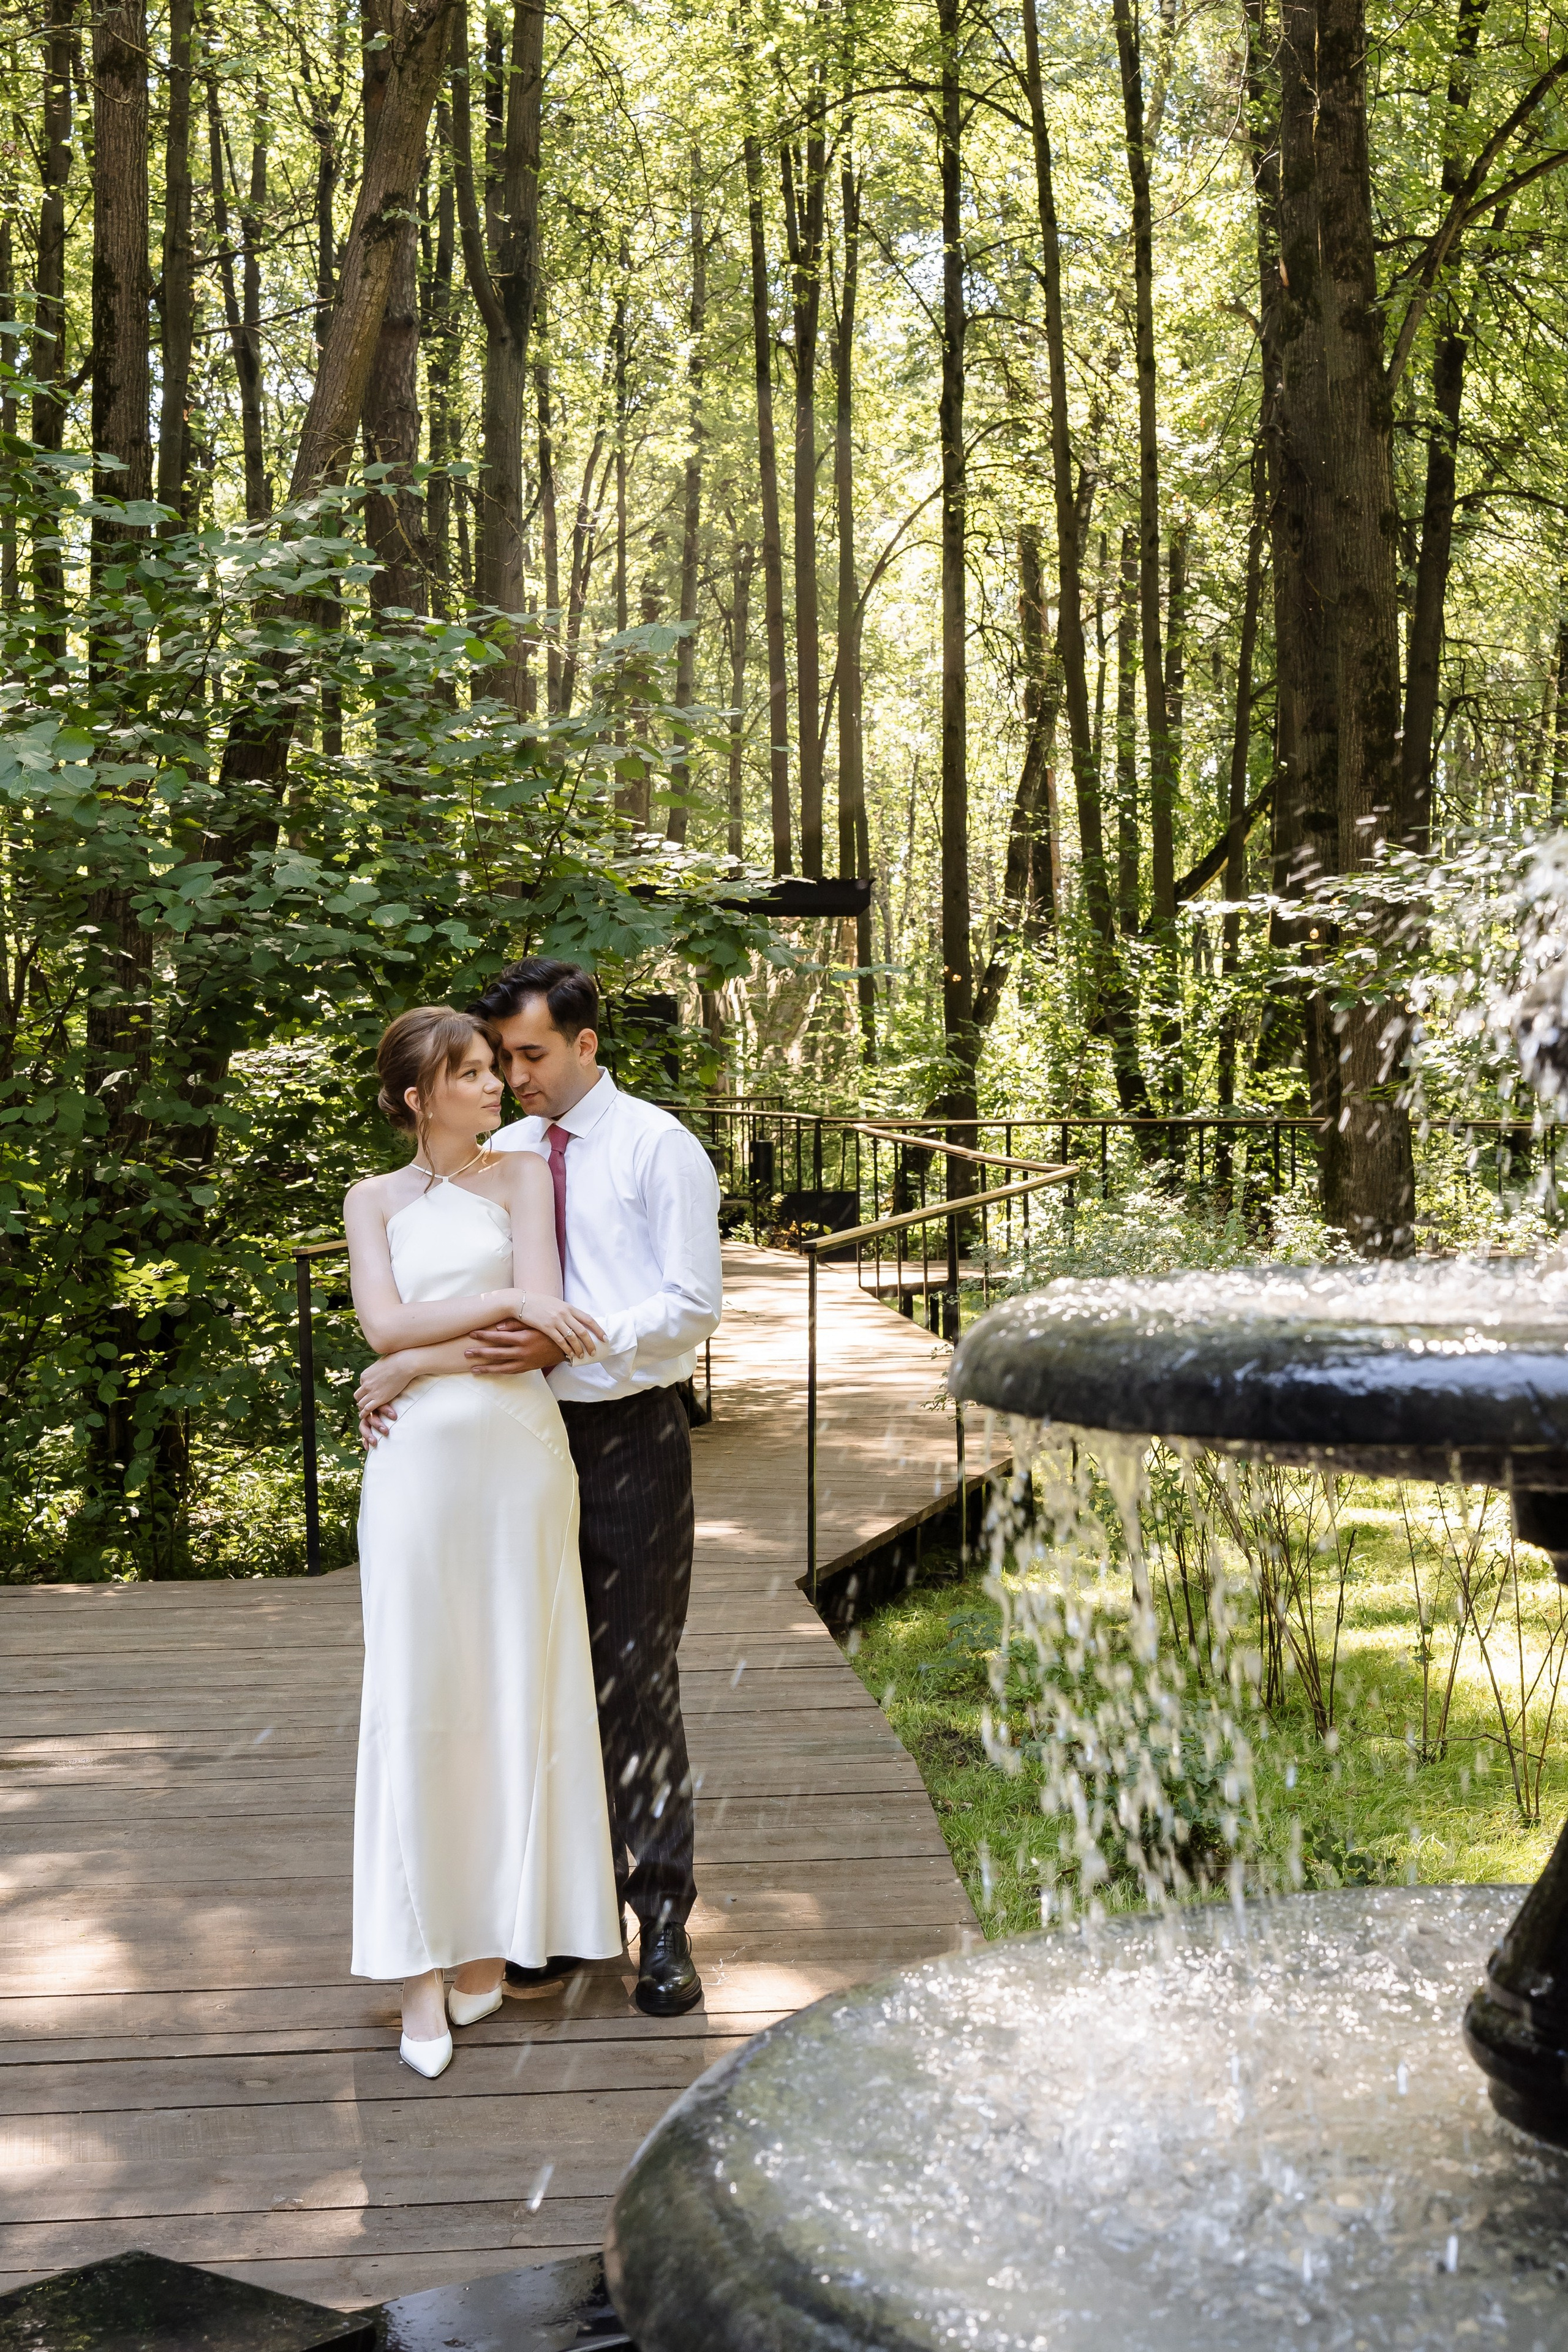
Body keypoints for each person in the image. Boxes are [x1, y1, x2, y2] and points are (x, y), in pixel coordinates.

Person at [344, 1006, 622, 2079]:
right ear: (417, 1097)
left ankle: (489, 1949)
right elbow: (383, 1324)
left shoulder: (520, 1179)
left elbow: (539, 1324)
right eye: (468, 1073)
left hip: (518, 1456)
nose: (494, 1083)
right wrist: (483, 1310)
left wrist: (419, 1361)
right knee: (416, 1695)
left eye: (493, 1067)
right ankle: (419, 1967)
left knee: (517, 1689)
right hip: (415, 1467)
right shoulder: (372, 1200)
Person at [468, 959, 722, 2017]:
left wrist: (573, 1336)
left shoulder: (659, 1146)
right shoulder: (501, 1154)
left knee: (634, 1676)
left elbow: (692, 1304)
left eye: (530, 1054)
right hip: (515, 1440)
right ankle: (563, 1920)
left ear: (585, 1043)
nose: (514, 1077)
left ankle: (661, 1921)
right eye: (501, 1059)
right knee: (535, 1678)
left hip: (628, 1437)